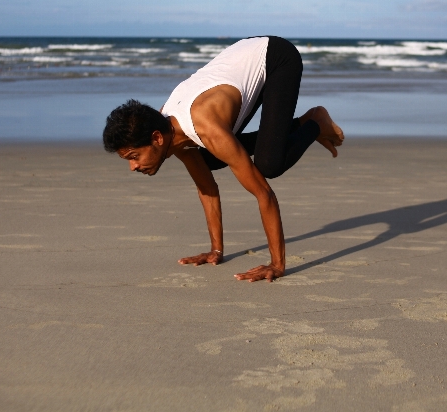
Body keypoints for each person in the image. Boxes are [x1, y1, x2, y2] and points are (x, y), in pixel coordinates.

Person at [102, 36, 344, 282]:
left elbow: (263, 194)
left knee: (269, 165)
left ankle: (315, 121)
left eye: (134, 156)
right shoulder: (168, 127)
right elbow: (206, 187)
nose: (133, 167)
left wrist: (277, 264)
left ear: (157, 138)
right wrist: (215, 251)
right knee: (210, 159)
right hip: (239, 63)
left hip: (275, 58)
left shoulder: (205, 127)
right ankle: (300, 124)